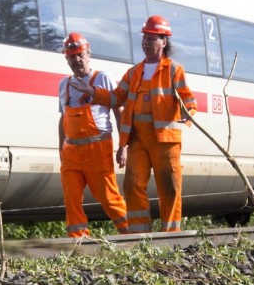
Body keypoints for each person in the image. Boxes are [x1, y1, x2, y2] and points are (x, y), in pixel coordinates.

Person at [71, 15, 196, 233]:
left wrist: (188, 112)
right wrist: (93, 92)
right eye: (144, 38)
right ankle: (140, 237)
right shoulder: (134, 72)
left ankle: (171, 236)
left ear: (164, 41)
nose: (146, 42)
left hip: (165, 140)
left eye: (151, 38)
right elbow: (116, 98)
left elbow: (187, 97)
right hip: (137, 140)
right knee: (132, 186)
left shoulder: (174, 70)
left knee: (170, 188)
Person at [58, 32, 129, 237]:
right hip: (71, 152)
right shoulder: (64, 84)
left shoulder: (103, 78)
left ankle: (131, 236)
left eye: (80, 54)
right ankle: (78, 242)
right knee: (71, 199)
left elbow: (118, 112)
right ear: (67, 58)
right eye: (72, 56)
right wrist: (60, 149)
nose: (77, 59)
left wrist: (123, 146)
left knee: (108, 197)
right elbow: (63, 118)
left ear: (88, 54)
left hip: (98, 149)